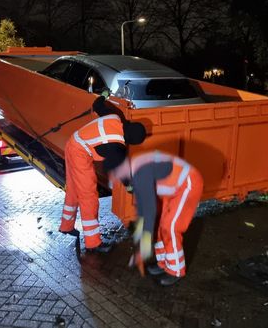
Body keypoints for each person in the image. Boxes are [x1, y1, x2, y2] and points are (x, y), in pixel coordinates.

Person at [59, 96, 146, 252]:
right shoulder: (115, 145)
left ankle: (66, 226)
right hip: (80, 152)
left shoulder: (115, 117)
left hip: (72, 142)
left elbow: (97, 105)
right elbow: (116, 166)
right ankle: (93, 243)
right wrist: (129, 185)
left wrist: (103, 96)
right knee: (89, 196)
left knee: (73, 189)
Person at [105, 150, 203, 286]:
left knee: (171, 227)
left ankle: (176, 271)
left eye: (114, 175)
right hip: (174, 188)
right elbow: (142, 212)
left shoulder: (141, 172)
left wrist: (143, 249)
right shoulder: (135, 170)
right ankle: (164, 263)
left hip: (188, 184)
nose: (115, 179)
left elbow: (149, 212)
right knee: (161, 226)